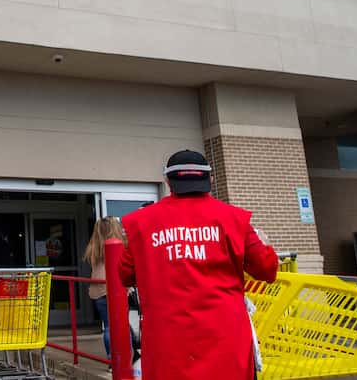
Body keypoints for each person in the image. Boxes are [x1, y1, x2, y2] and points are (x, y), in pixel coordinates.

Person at [119, 149, 278, 380]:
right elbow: (266, 270)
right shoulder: (235, 219)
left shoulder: (141, 223)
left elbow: (124, 275)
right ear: (210, 179)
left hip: (167, 340)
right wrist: (267, 246)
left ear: (168, 181)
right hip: (226, 338)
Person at [83, 216, 126, 357]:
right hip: (116, 288)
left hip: (98, 291)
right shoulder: (120, 244)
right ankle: (126, 357)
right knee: (121, 326)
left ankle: (111, 358)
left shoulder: (93, 247)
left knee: (108, 326)